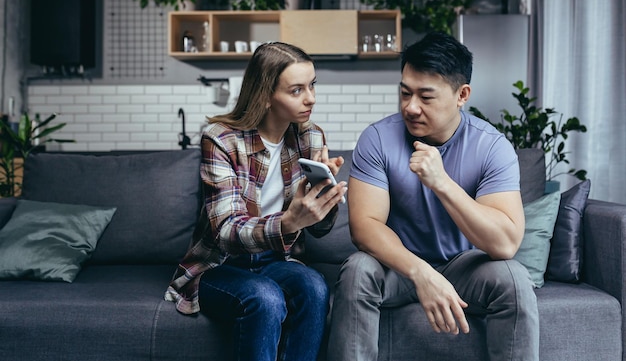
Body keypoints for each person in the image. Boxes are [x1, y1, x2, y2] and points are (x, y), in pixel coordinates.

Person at [327, 32, 539, 361]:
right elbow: (364, 227)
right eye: (405, 93)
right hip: (397, 266)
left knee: (513, 277)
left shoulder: (491, 147)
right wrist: (421, 273)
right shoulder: (378, 139)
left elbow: (504, 244)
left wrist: (442, 183)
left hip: (464, 268)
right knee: (357, 269)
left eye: (426, 97)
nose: (411, 107)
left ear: (461, 95)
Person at [165, 41, 347, 361]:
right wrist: (289, 221)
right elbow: (225, 232)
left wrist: (325, 198)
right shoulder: (221, 139)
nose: (311, 98)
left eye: (312, 85)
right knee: (265, 298)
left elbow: (318, 230)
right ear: (265, 96)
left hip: (276, 261)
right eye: (296, 90)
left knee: (315, 287)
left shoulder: (310, 137)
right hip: (219, 265)